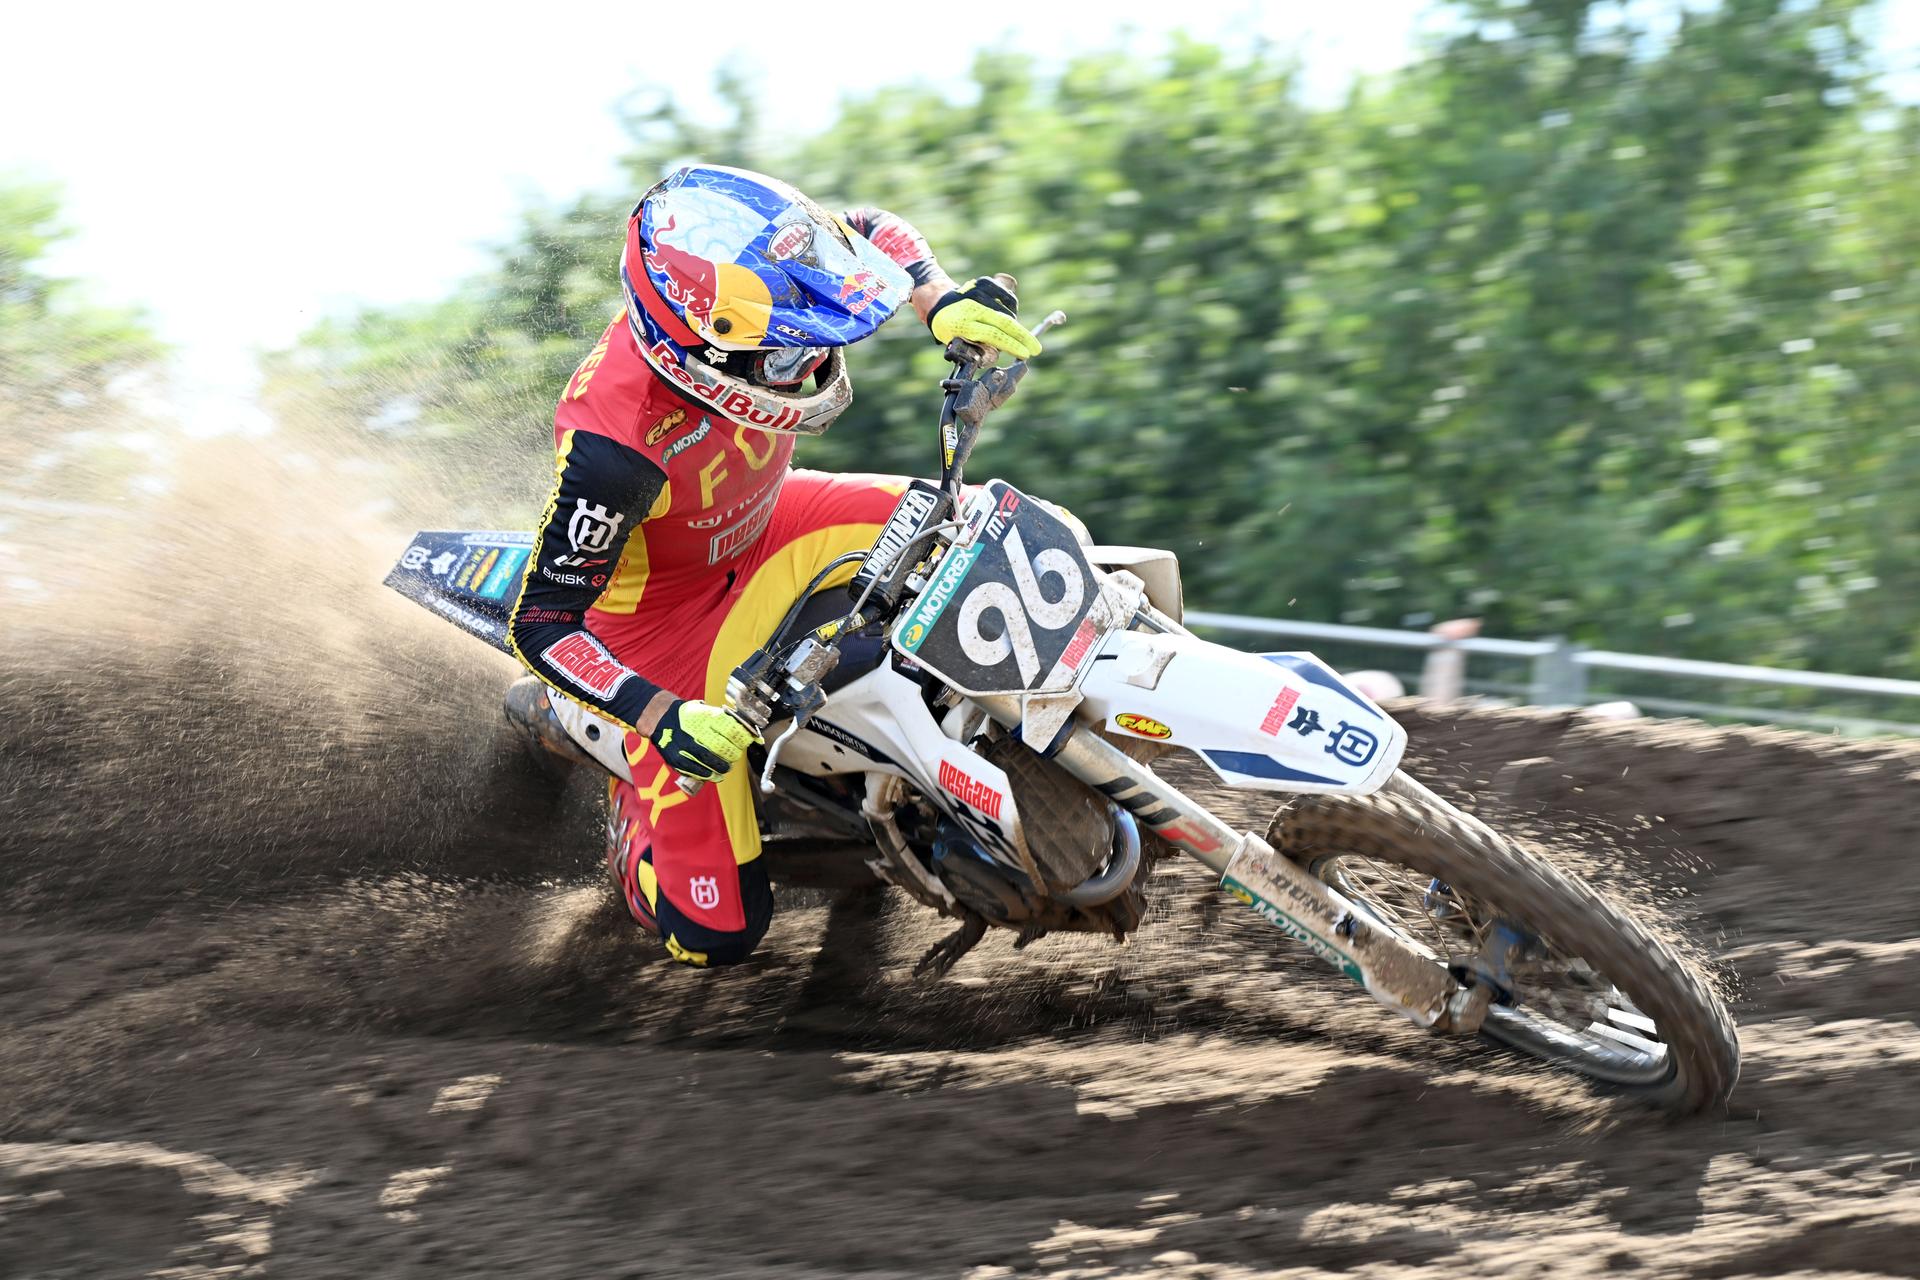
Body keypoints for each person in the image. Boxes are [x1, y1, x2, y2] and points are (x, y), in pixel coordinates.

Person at [506, 164, 1041, 968]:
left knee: (994, 525)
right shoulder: (613, 449)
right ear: (702, 350)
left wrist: (939, 297)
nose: (815, 357)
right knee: (713, 933)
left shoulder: (739, 277)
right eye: (790, 352)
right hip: (660, 638)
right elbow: (542, 621)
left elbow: (861, 221)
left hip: (769, 527)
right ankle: (599, 751)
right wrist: (657, 717)